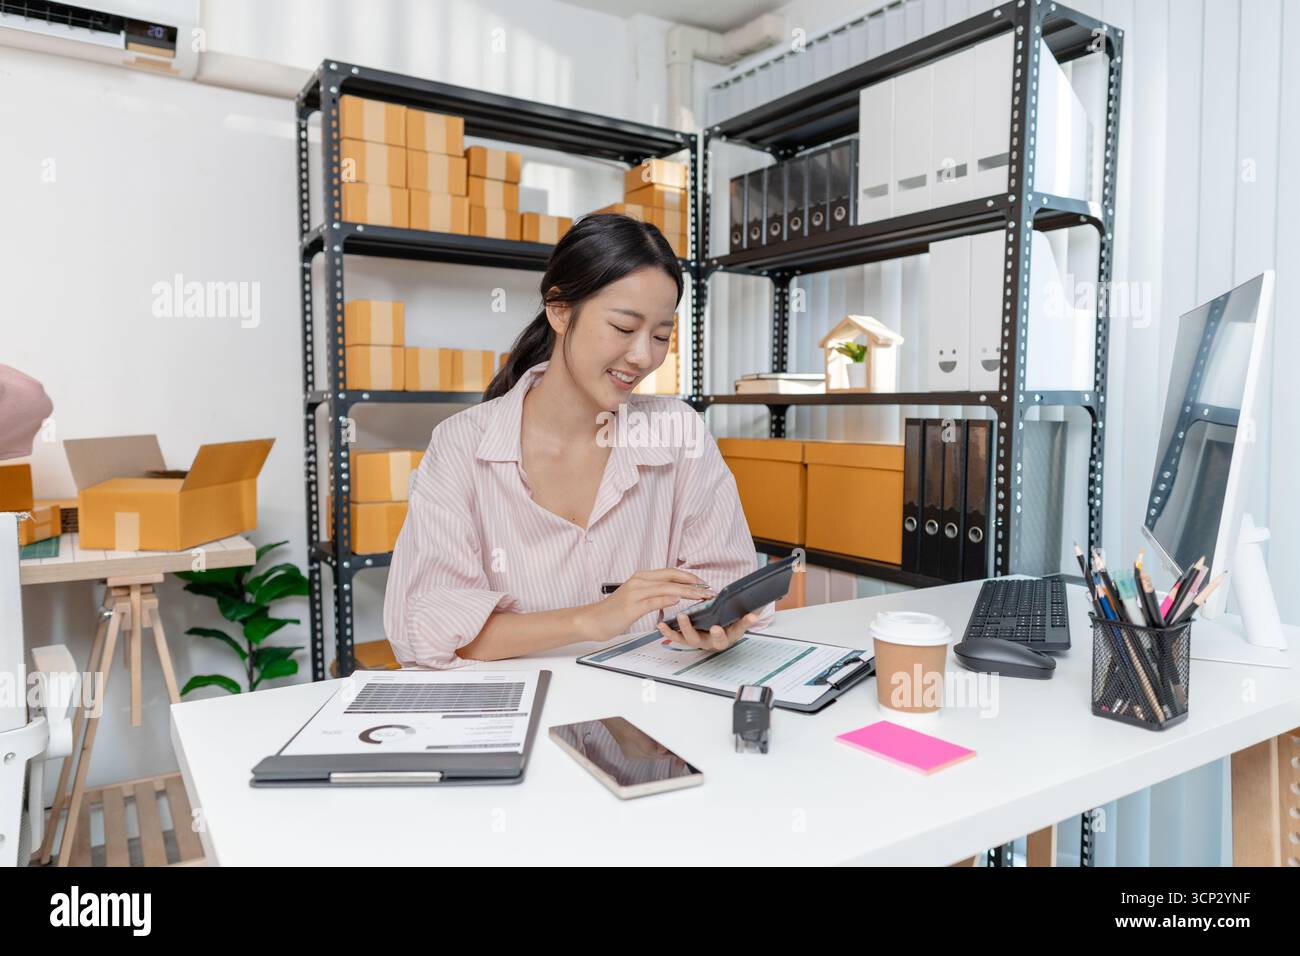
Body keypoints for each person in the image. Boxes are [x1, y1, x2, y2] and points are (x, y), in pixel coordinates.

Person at [383, 213, 775, 668]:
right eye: (624, 329)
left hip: (654, 700)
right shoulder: (461, 445)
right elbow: (431, 629)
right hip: (524, 713)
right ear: (560, 310)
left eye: (661, 335)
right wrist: (592, 620)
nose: (643, 356)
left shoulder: (679, 432)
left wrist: (714, 624)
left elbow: (728, 583)